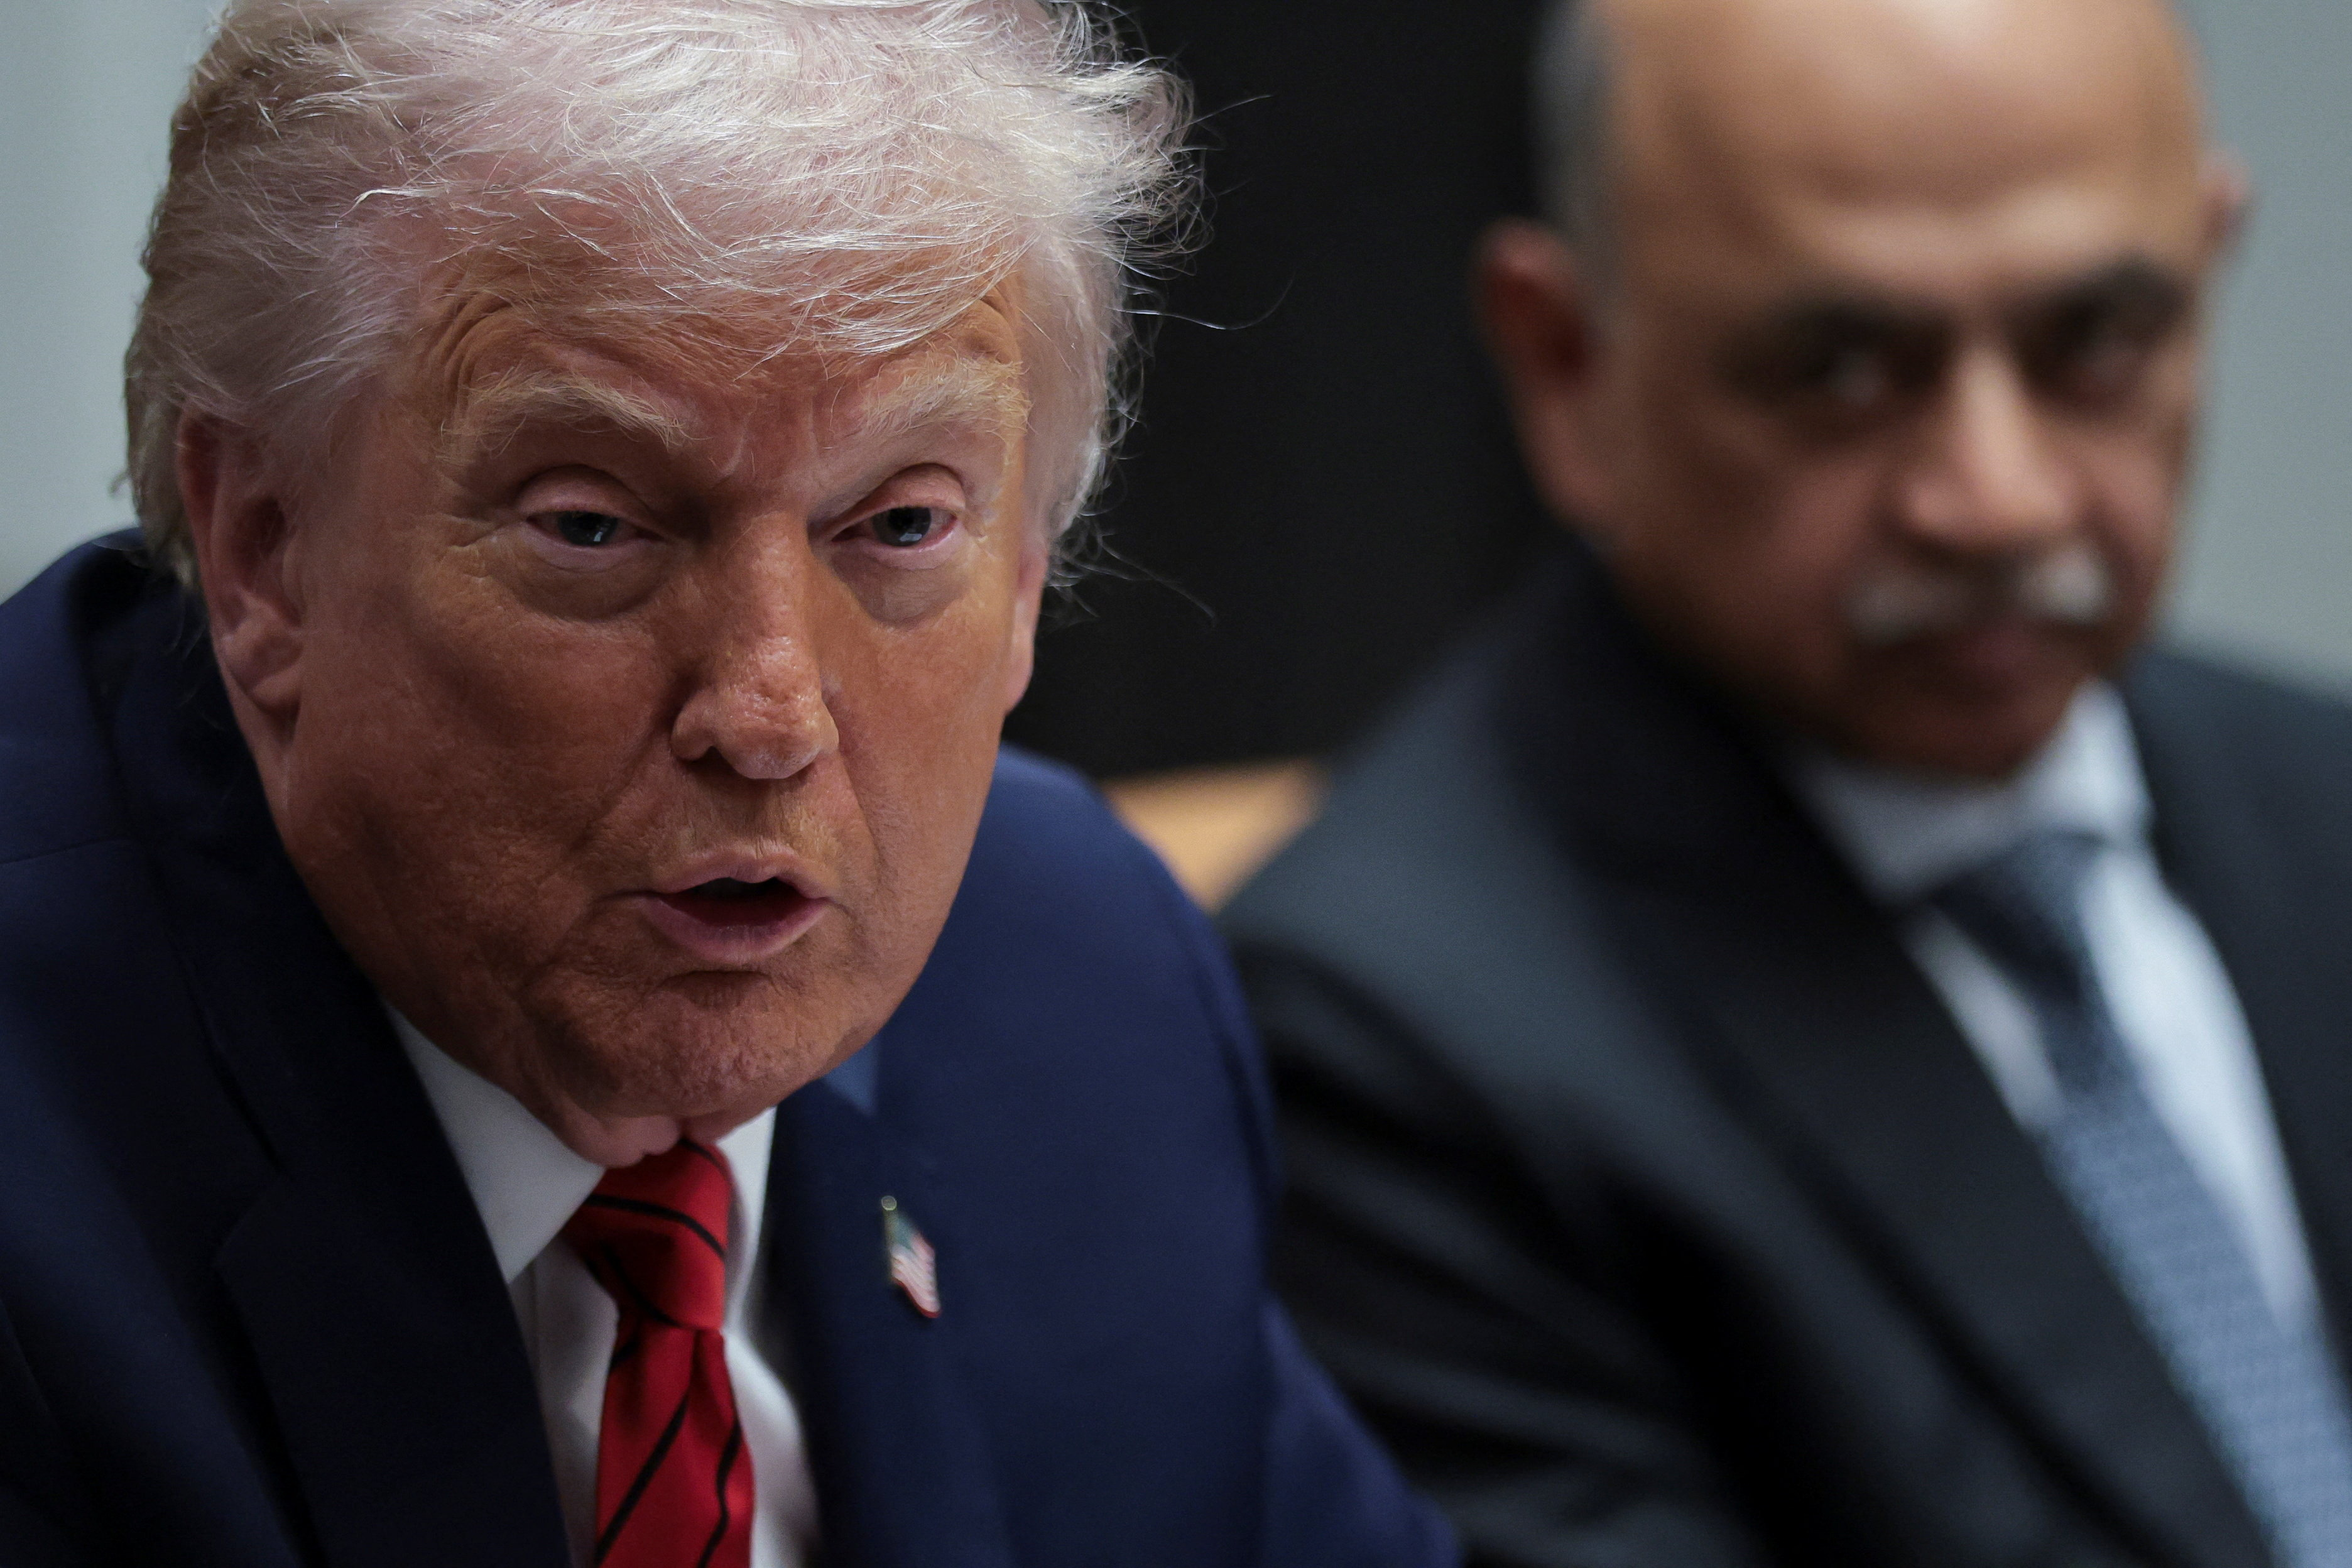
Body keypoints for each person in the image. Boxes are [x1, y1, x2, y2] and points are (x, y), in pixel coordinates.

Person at [0, 4, 1458, 1567]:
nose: (766, 715)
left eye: (899, 527)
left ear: (1030, 574)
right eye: (592, 525)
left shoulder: (1082, 999)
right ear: (264, 552)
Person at [1224, 0, 2352, 1562]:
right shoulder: (1388, 1045)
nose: (1998, 499)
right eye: (1841, 369)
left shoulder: (2322, 794)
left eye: (2096, 342)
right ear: (1568, 368)